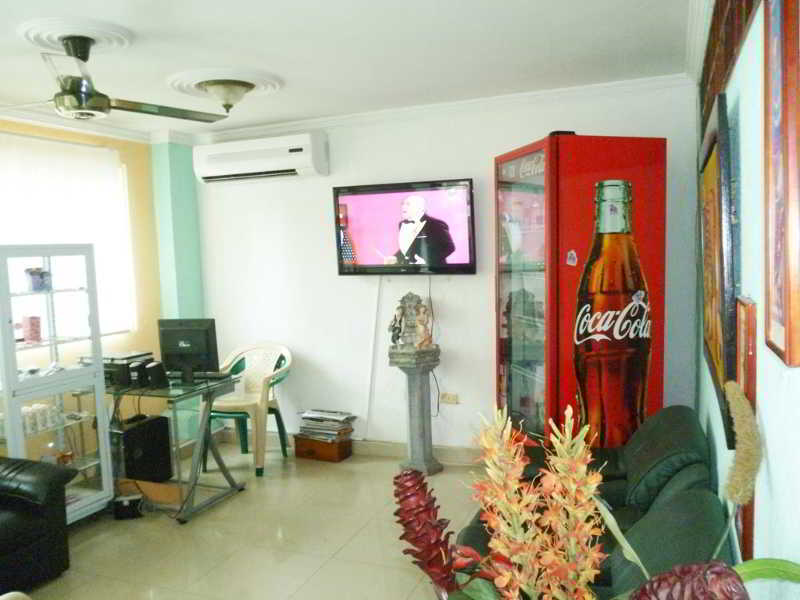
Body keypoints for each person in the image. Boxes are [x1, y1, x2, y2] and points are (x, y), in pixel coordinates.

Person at [384, 195, 455, 266]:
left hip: (432, 271)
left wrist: (426, 260)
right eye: (403, 203)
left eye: (408, 204)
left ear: (420, 207)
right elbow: (409, 247)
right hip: (409, 270)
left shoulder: (436, 224)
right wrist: (396, 257)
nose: (403, 206)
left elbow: (449, 248)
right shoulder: (402, 224)